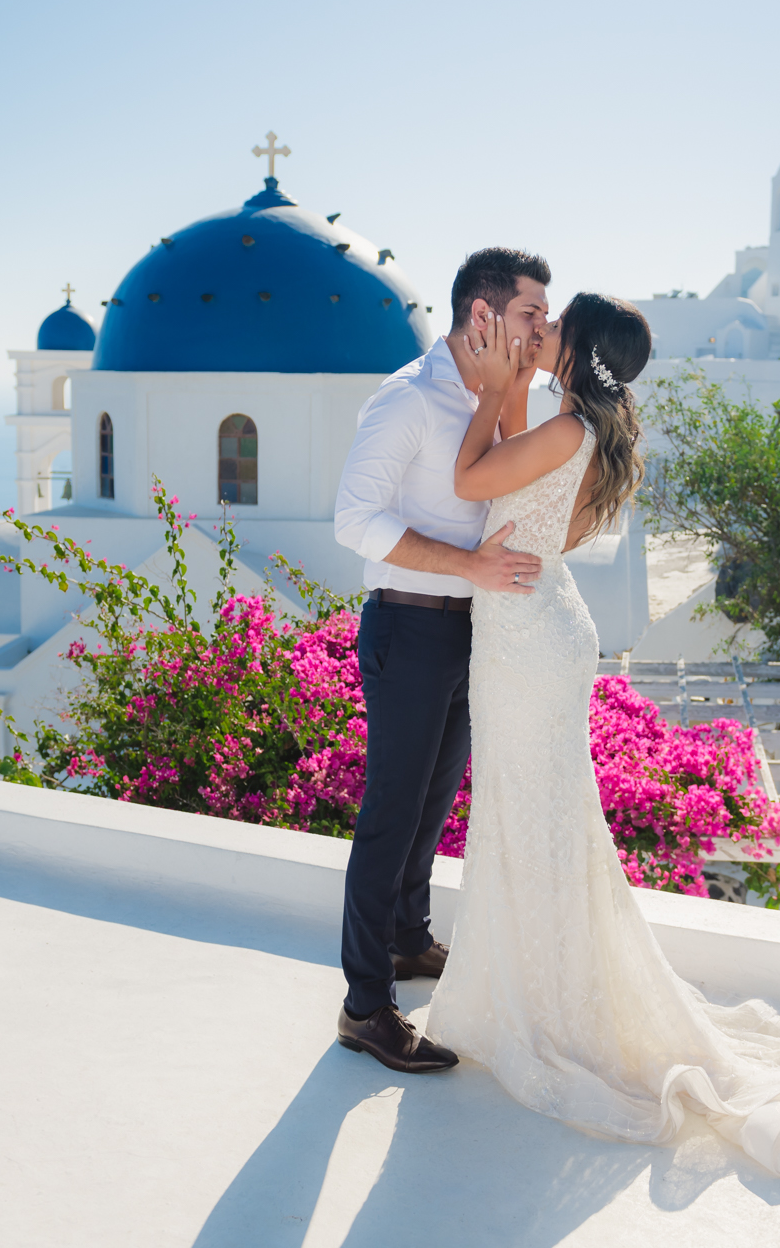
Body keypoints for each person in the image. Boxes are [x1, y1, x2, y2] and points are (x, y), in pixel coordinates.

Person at [425, 292, 780, 1178]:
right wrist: (520, 387)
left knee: (537, 816)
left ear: (581, 346)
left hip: (526, 639)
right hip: (531, 624)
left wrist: (489, 387)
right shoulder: (577, 425)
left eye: (556, 326)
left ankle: (549, 1005)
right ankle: (532, 987)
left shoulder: (566, 433)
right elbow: (516, 495)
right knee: (535, 816)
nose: (542, 329)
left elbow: (468, 481)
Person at [330, 246, 553, 1073]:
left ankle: (407, 939)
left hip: (469, 631)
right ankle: (364, 1007)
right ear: (484, 316)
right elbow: (354, 519)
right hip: (409, 625)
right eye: (531, 314)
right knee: (391, 813)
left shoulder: (490, 399)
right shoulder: (409, 400)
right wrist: (466, 568)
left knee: (432, 805)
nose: (541, 329)